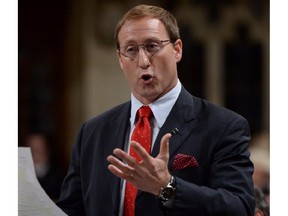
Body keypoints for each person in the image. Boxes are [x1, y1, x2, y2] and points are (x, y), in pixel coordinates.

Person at [57, 4, 255, 216]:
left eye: (152, 46)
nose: (143, 61)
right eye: (131, 50)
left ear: (177, 49)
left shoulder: (223, 126)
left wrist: (167, 186)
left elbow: (239, 208)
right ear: (120, 59)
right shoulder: (93, 132)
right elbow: (71, 210)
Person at [25, 133, 64, 201]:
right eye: (33, 148)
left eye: (39, 147)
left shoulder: (60, 175)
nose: (36, 151)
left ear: (47, 149)